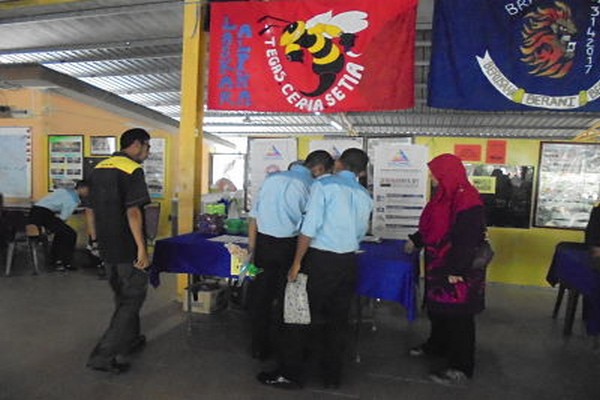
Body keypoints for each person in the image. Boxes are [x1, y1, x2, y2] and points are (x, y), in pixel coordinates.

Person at [257, 148, 373, 389]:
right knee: (338, 320)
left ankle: (290, 374)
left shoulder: (324, 185)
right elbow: (360, 233)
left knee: (297, 316)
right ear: (361, 172)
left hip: (319, 262)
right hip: (347, 263)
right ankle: (332, 376)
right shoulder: (364, 195)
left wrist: (297, 262)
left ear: (338, 163)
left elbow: (309, 228)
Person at [404, 153, 486, 385]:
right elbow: (433, 227)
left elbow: (468, 238)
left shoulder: (468, 200)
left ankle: (461, 367)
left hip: (457, 269)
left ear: (447, 174)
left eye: (435, 174)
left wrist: (457, 270)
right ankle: (437, 345)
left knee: (459, 317)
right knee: (438, 311)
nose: (432, 178)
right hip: (439, 266)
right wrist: (416, 240)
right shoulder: (443, 197)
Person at [247, 150, 334, 361]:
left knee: (261, 296)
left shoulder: (270, 179)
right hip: (290, 246)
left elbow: (253, 218)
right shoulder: (312, 185)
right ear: (316, 169)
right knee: (288, 298)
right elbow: (310, 226)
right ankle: (283, 349)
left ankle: (259, 347)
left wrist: (252, 250)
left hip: (264, 245)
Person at [86, 128, 152, 374]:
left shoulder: (98, 168)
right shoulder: (132, 170)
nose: (148, 152)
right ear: (136, 144)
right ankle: (103, 356)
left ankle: (130, 340)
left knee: (121, 295)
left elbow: (89, 209)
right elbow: (133, 212)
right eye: (147, 146)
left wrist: (94, 240)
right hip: (126, 246)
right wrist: (141, 249)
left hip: (106, 246)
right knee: (132, 299)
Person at [27, 180, 90, 271]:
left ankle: (54, 260)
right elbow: (63, 218)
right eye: (88, 190)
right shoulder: (73, 200)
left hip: (36, 212)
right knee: (70, 234)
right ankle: (65, 262)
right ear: (81, 188)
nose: (88, 193)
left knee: (62, 232)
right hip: (44, 214)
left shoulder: (64, 191)